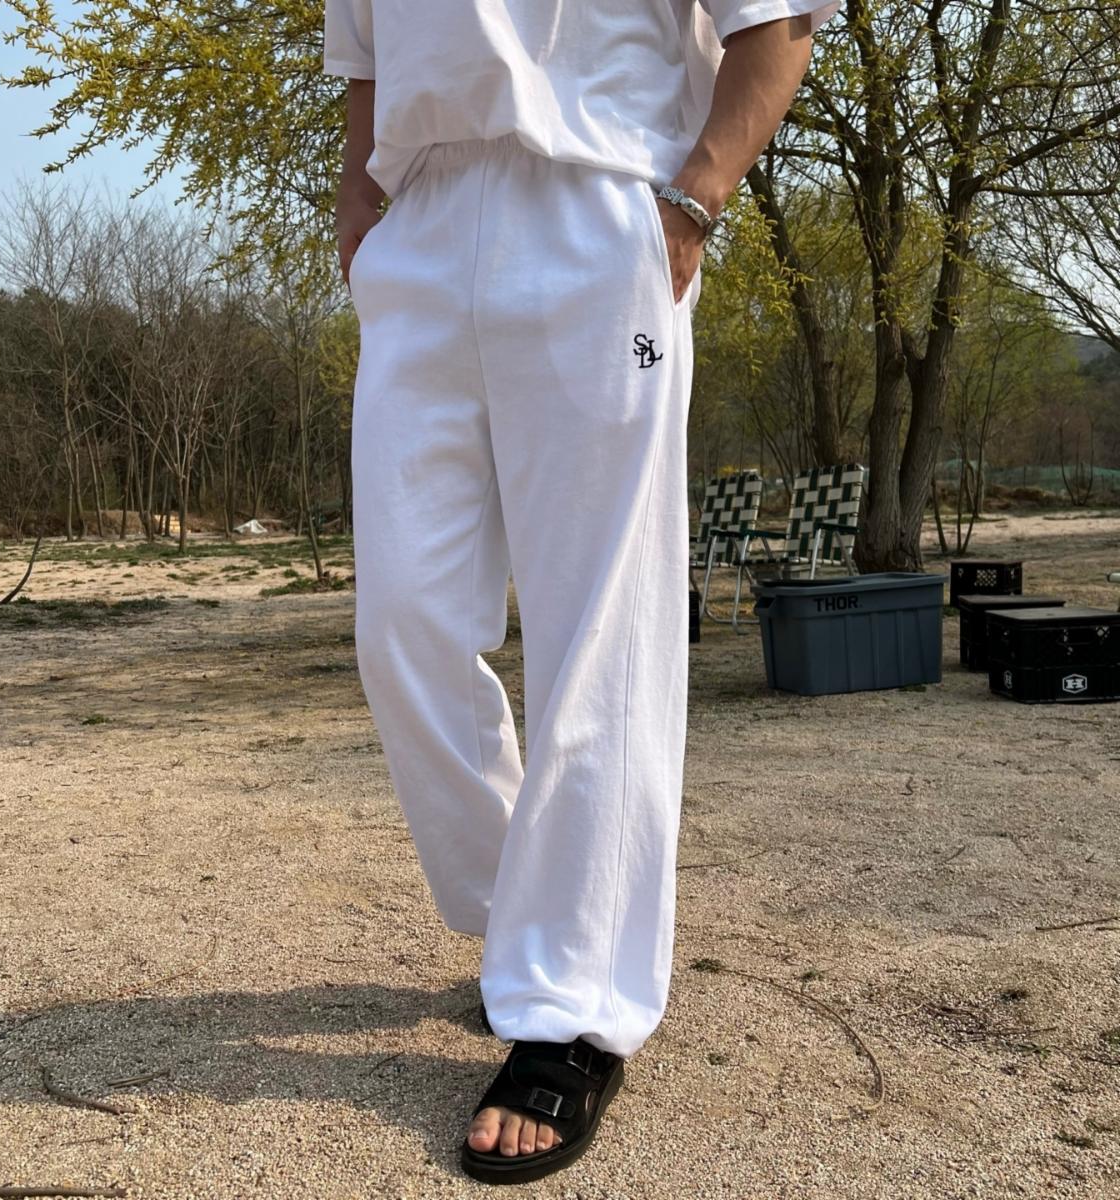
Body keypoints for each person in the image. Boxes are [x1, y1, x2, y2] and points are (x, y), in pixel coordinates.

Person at [323, 0, 837, 1184]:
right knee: (402, 623)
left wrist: (698, 194)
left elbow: (778, 21)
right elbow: (364, 52)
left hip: (601, 198)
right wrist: (358, 199)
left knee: (600, 628)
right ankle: (527, 915)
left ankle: (573, 1005)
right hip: (423, 219)